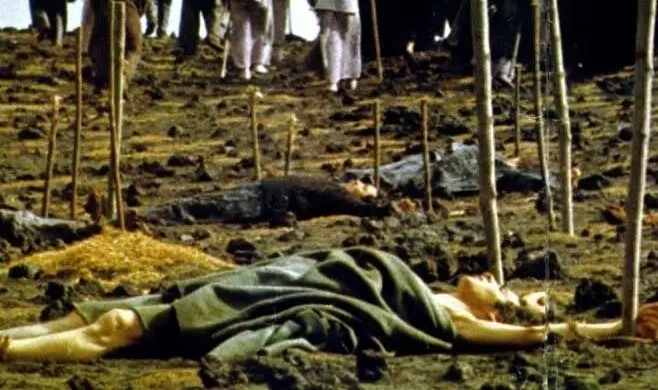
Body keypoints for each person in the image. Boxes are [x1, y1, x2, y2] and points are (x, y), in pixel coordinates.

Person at [0, 247, 656, 362]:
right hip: (278, 278)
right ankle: (11, 335)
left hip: (280, 300)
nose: (490, 276)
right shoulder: (437, 293)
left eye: (501, 289)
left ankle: (9, 352)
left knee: (120, 325)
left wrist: (613, 327)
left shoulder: (455, 320)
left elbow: (542, 336)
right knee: (107, 307)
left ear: (492, 314)